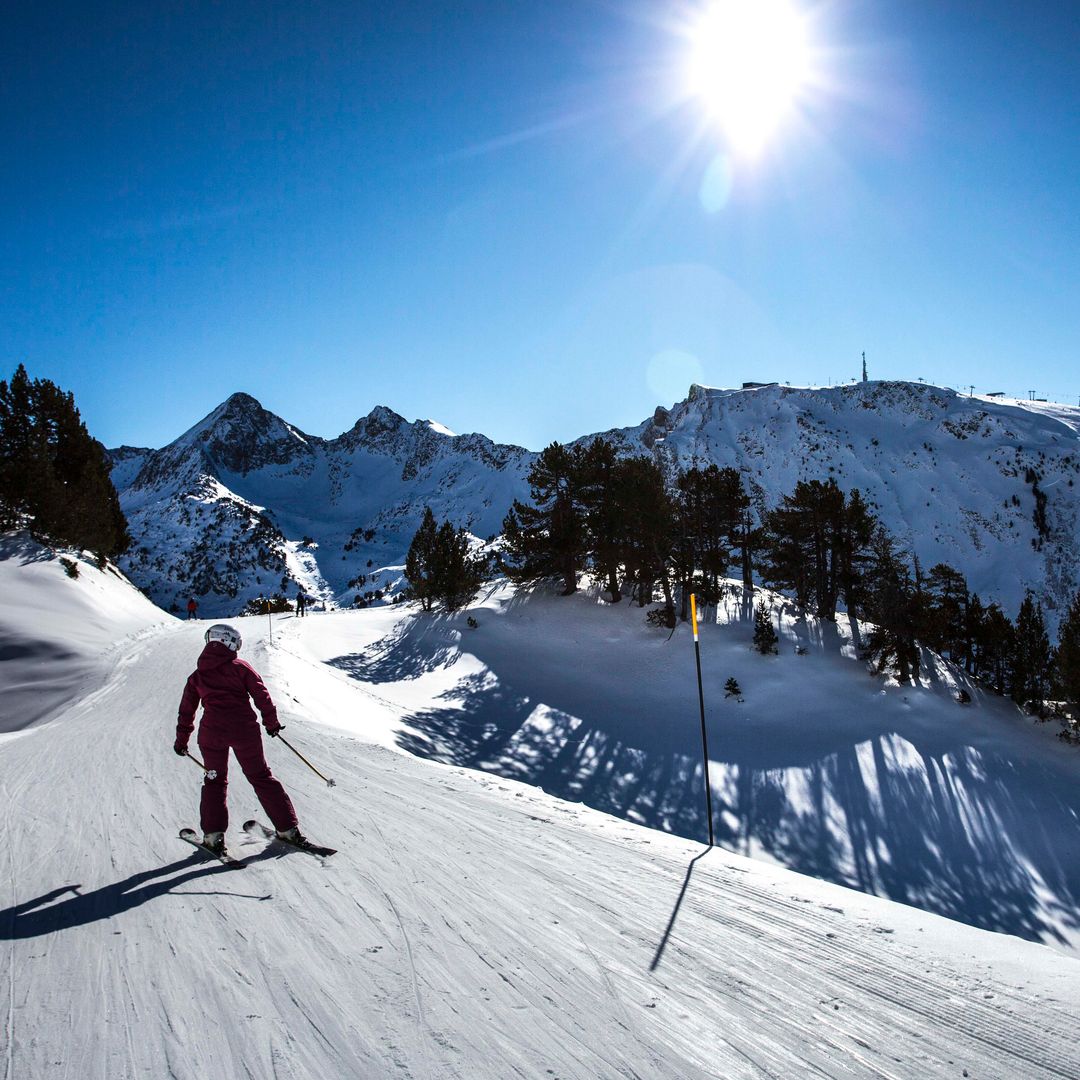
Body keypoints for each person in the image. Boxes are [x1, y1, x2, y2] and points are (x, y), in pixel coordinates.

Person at [173, 623, 305, 856]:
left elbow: (187, 710)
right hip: (244, 730)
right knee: (261, 776)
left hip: (211, 733)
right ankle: (288, 830)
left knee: (214, 781)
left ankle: (213, 837)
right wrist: (271, 723)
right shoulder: (240, 667)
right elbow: (261, 695)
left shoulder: (197, 676)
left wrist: (182, 740)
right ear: (229, 642)